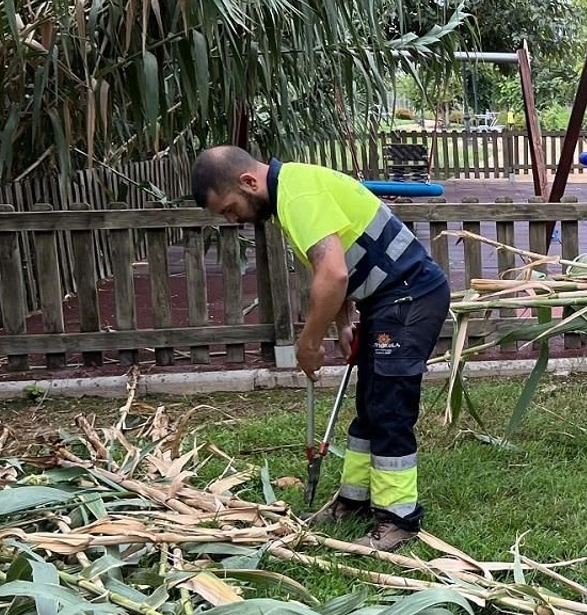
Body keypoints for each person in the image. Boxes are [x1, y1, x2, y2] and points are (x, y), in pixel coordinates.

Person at [191, 147, 450, 550]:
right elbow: (338, 261)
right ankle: (354, 501)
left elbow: (332, 273)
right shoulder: (291, 192)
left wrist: (309, 342)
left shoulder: (298, 195)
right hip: (385, 300)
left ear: (247, 182)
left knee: (389, 406)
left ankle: (399, 518)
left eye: (229, 209)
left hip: (409, 298)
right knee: (369, 404)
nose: (233, 220)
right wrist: (344, 322)